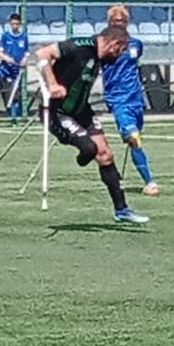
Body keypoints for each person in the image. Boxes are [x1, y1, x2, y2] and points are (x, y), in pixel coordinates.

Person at [35, 26, 149, 223]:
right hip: (57, 112)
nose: (119, 55)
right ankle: (83, 152)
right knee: (90, 149)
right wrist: (52, 84)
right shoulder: (79, 46)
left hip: (81, 110)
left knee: (105, 154)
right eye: (120, 50)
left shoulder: (99, 57)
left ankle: (121, 209)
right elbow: (42, 53)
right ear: (114, 44)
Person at [104, 5, 159, 196]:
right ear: (109, 23)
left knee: (134, 140)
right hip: (117, 99)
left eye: (122, 21)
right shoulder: (104, 46)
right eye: (115, 22)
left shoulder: (136, 44)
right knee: (133, 137)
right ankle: (150, 182)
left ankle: (115, 176)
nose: (119, 24)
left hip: (136, 99)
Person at [0, 13, 29, 125]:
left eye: (17, 24)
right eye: (13, 24)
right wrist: (6, 58)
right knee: (8, 93)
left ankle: (16, 117)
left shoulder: (24, 37)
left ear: (20, 24)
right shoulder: (5, 36)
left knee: (16, 93)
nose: (15, 26)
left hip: (18, 69)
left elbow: (26, 52)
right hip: (6, 69)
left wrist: (25, 60)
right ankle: (10, 114)